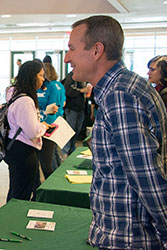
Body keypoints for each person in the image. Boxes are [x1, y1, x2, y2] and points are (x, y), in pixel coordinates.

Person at [64, 15, 167, 249]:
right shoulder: (125, 87)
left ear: (97, 50)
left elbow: (148, 179)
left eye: (72, 49)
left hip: (131, 238)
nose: (67, 58)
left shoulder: (120, 96)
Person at [5, 60, 50, 202]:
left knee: (17, 189)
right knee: (20, 195)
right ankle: (13, 222)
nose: (43, 79)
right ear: (32, 76)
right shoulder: (25, 101)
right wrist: (42, 126)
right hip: (23, 150)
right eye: (41, 75)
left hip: (16, 148)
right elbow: (32, 132)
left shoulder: (15, 93)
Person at [35, 61, 59, 179]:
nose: (42, 78)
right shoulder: (28, 88)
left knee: (46, 165)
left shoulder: (51, 87)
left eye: (42, 74)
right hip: (33, 129)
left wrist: (42, 122)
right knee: (33, 167)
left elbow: (51, 108)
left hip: (47, 128)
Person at [61, 71, 91, 158]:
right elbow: (68, 90)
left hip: (81, 108)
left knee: (76, 130)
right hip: (72, 108)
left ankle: (71, 149)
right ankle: (65, 151)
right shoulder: (71, 76)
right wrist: (82, 90)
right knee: (70, 130)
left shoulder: (85, 77)